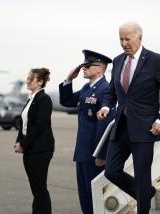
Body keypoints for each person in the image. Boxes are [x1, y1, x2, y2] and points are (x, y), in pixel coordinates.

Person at [97, 22, 160, 214]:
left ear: (139, 37)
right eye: (121, 39)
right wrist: (106, 106)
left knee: (142, 176)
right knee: (111, 171)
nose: (124, 43)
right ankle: (145, 193)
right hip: (121, 127)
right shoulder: (117, 61)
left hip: (145, 128)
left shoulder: (155, 60)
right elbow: (111, 92)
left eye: (127, 39)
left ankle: (143, 203)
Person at [59, 50, 115, 214]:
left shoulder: (105, 89)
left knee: (96, 197)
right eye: (83, 65)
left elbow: (106, 123)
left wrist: (101, 154)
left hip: (94, 153)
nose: (83, 69)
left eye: (87, 66)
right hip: (83, 150)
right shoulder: (87, 88)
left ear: (99, 69)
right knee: (85, 195)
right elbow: (66, 101)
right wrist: (69, 79)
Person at [14, 68, 54, 214]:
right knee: (36, 188)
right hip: (30, 148)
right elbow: (24, 124)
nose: (28, 81)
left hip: (41, 149)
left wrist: (23, 144)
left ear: (40, 82)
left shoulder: (44, 99)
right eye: (28, 78)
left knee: (39, 188)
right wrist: (19, 141)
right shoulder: (31, 98)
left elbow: (39, 126)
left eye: (31, 79)